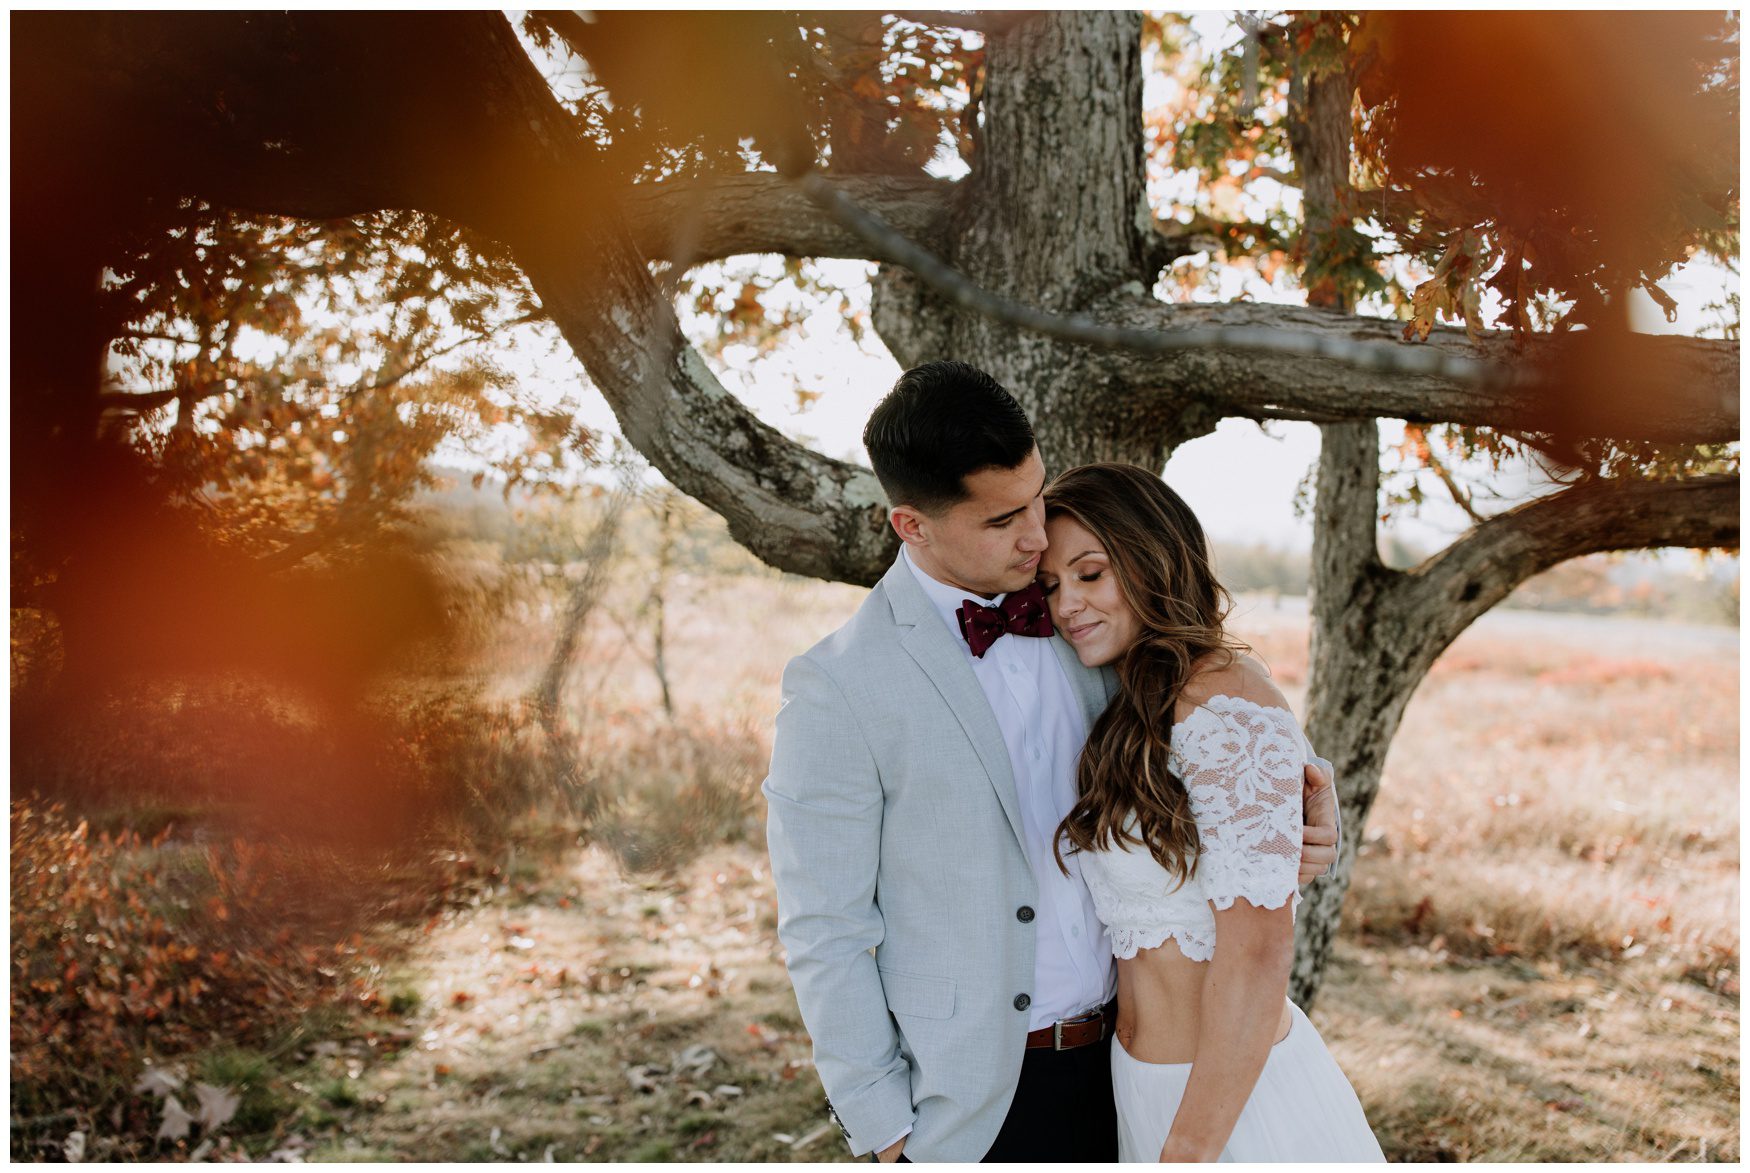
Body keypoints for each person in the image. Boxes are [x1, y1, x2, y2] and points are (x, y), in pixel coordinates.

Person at [762, 361, 1341, 1163]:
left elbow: (1225, 716)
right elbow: (824, 926)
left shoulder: (1094, 628)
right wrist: (882, 1123)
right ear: (912, 526)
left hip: (1133, 1068)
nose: (1037, 537)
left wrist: (1312, 797)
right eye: (1003, 521)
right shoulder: (840, 686)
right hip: (973, 1103)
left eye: (1036, 498)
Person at [1039, 462, 1384, 1162]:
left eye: (1090, 573)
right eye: (1051, 584)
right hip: (1143, 1088)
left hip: (1233, 1106)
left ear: (1152, 560)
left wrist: (1188, 1153)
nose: (1066, 602)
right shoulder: (1133, 703)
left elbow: (1257, 955)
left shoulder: (1222, 694)